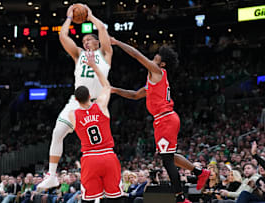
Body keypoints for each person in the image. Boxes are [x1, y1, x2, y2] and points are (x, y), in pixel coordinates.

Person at [110, 37, 210, 203]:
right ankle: (200, 173)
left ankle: (180, 198)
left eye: (156, 57)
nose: (153, 58)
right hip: (163, 120)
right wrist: (114, 90)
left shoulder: (157, 72)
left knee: (167, 160)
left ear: (162, 64)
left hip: (166, 119)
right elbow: (135, 95)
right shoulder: (153, 81)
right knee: (169, 156)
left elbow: (136, 55)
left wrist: (117, 42)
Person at [38, 3, 113, 190]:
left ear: (97, 42)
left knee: (99, 146)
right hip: (76, 103)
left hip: (97, 103)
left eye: (89, 39)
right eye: (84, 40)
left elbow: (102, 28)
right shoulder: (78, 54)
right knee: (57, 133)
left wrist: (90, 15)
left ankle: (110, 180)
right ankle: (52, 175)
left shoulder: (105, 54)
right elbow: (63, 36)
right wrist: (70, 17)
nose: (85, 42)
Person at [66, 50, 122, 202]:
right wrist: (94, 66)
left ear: (76, 100)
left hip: (90, 159)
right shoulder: (101, 106)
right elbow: (107, 86)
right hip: (108, 156)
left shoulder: (73, 114)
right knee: (115, 197)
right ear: (90, 96)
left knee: (89, 199)